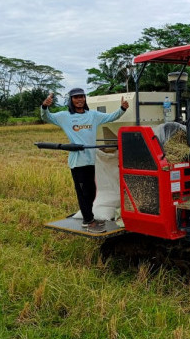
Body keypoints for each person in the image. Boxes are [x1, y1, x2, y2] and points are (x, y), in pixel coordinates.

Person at [41, 88, 129, 232]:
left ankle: (89, 218)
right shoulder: (65, 116)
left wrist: (122, 109)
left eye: (81, 97)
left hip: (90, 160)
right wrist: (45, 106)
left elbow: (110, 117)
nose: (79, 99)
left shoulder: (93, 115)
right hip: (77, 162)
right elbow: (47, 117)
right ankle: (88, 221)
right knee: (83, 192)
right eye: (76, 97)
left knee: (92, 191)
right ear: (71, 100)